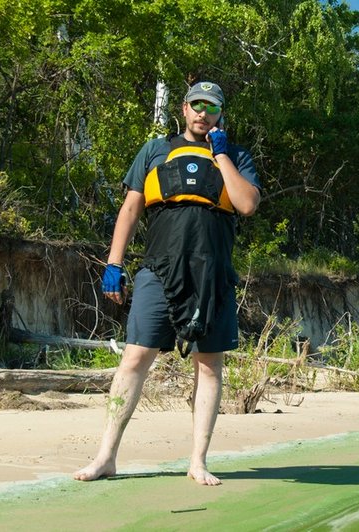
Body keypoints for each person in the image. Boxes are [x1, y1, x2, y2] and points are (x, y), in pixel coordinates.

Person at [73, 81, 261, 486]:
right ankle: (106, 456)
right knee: (134, 359)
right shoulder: (155, 150)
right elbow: (130, 208)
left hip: (212, 276)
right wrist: (113, 264)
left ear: (221, 113)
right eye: (196, 105)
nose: (202, 113)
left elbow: (246, 204)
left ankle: (198, 461)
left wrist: (222, 154)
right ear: (183, 108)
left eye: (211, 107)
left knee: (209, 366)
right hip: (158, 270)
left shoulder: (237, 156)